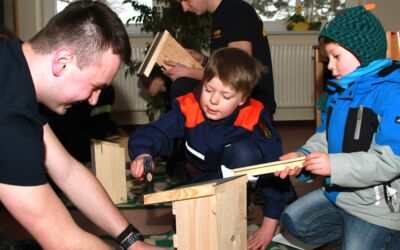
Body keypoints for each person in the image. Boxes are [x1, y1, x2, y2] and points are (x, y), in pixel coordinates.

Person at [0, 1, 165, 249]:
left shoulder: (14, 67)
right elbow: (63, 241)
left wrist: (132, 242)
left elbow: (67, 171)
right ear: (63, 61)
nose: (94, 100)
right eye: (95, 86)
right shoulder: (9, 117)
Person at [129, 47, 290, 249]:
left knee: (245, 152)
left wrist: (268, 226)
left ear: (242, 98)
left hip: (236, 175)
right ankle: (217, 204)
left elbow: (275, 169)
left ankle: (240, 200)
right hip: (204, 177)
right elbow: (156, 132)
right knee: (184, 223)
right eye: (208, 89)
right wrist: (143, 152)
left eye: (225, 95)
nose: (213, 100)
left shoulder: (255, 116)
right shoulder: (189, 106)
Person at [275, 5, 400, 249]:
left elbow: (391, 161)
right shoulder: (340, 92)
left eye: (336, 56)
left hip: (379, 208)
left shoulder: (392, 94)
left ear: (362, 52)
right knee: (293, 221)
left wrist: (334, 165)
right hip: (340, 195)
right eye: (327, 58)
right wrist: (304, 156)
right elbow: (325, 136)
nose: (330, 66)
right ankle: (354, 231)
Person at [145, 0, 275, 119]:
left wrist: (187, 72)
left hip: (253, 102)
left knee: (182, 85)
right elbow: (224, 66)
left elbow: (236, 71)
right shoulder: (222, 14)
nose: (184, 8)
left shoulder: (235, 11)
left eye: (186, 0)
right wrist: (202, 60)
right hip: (235, 96)